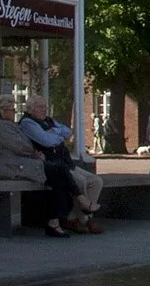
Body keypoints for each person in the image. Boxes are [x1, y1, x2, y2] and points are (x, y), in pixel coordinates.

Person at [0, 95, 78, 236]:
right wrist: (36, 153)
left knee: (59, 172)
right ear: (2, 111)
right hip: (12, 167)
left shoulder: (9, 125)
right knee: (58, 171)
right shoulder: (0, 127)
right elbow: (20, 146)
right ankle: (66, 212)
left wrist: (35, 153)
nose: (13, 112)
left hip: (23, 164)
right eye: (11, 109)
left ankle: (56, 219)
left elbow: (23, 145)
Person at [23, 95, 104, 233]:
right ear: (30, 109)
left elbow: (67, 132)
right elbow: (46, 140)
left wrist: (54, 133)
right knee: (81, 181)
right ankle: (83, 219)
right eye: (40, 107)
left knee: (96, 181)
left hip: (66, 162)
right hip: (52, 165)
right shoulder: (28, 123)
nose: (44, 110)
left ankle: (77, 217)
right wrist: (57, 136)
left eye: (45, 107)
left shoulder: (49, 121)